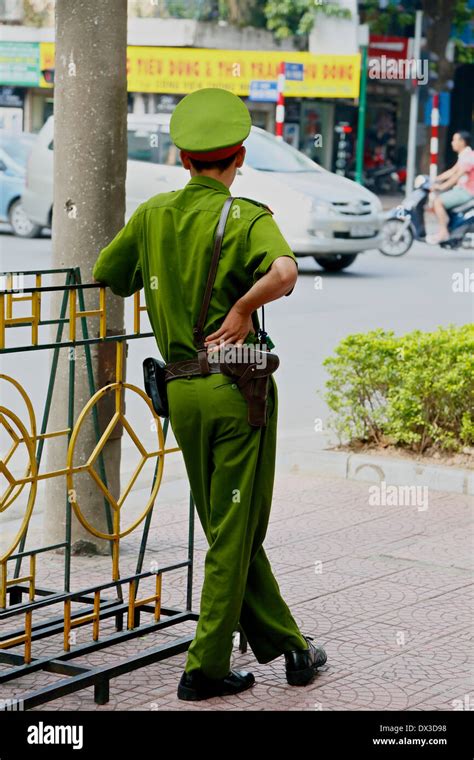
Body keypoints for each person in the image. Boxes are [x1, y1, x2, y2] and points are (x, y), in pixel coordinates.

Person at [92, 87, 327, 701]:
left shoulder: (153, 214)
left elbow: (106, 273)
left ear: (182, 158)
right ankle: (205, 667)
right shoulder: (247, 215)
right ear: (239, 155)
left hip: (180, 396)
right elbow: (285, 272)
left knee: (228, 525)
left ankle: (293, 647)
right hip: (236, 393)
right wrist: (246, 307)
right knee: (235, 531)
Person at [428, 130, 474, 244]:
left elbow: (457, 175)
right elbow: (452, 171)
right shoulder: (464, 155)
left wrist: (442, 187)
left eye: (454, 140)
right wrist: (434, 179)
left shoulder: (469, 157)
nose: (452, 143)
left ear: (462, 142)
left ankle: (443, 232)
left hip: (467, 191)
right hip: (461, 189)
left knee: (438, 201)